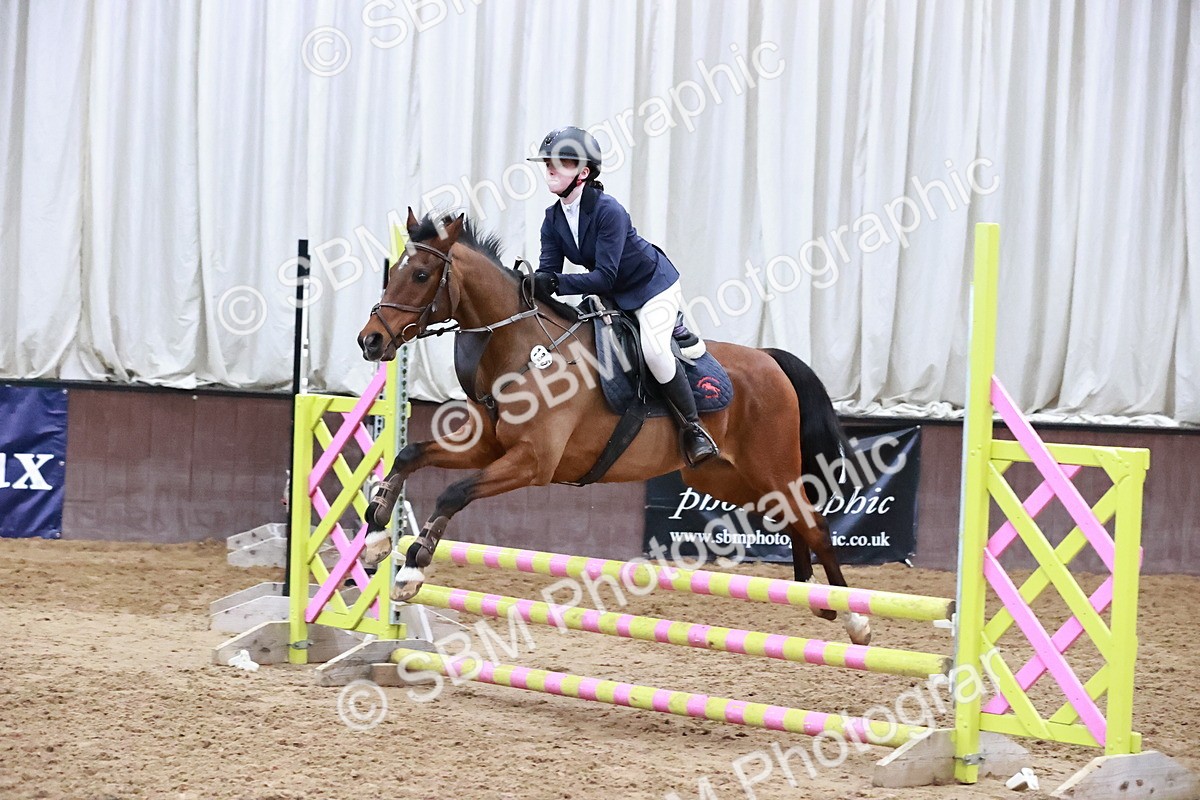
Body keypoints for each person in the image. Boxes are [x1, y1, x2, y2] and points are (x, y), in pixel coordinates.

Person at [527, 126, 718, 466]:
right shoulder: (552, 219)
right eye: (548, 163)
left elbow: (604, 276)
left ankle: (694, 429)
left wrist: (556, 282)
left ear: (584, 173)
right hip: (613, 293)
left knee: (655, 351)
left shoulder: (608, 211)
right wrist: (533, 284)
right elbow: (549, 273)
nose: (551, 169)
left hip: (651, 287)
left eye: (563, 162)